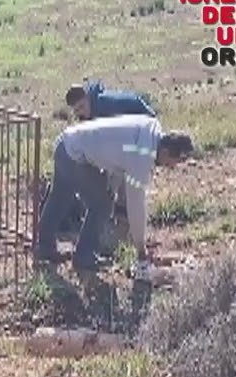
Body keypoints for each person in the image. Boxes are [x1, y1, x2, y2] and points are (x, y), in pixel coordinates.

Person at [35, 114, 194, 276]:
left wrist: (113, 181)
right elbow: (136, 204)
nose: (173, 167)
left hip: (66, 143)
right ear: (166, 152)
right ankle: (84, 256)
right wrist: (141, 248)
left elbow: (121, 150)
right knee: (102, 204)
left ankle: (44, 247)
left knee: (60, 197)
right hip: (75, 156)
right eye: (176, 161)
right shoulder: (142, 155)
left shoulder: (151, 128)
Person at [64, 80, 159, 218]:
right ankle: (120, 207)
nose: (81, 112)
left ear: (87, 98)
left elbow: (117, 148)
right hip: (130, 130)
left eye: (82, 106)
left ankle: (125, 209)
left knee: (126, 166)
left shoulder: (105, 107)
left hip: (143, 125)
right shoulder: (92, 110)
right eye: (77, 110)